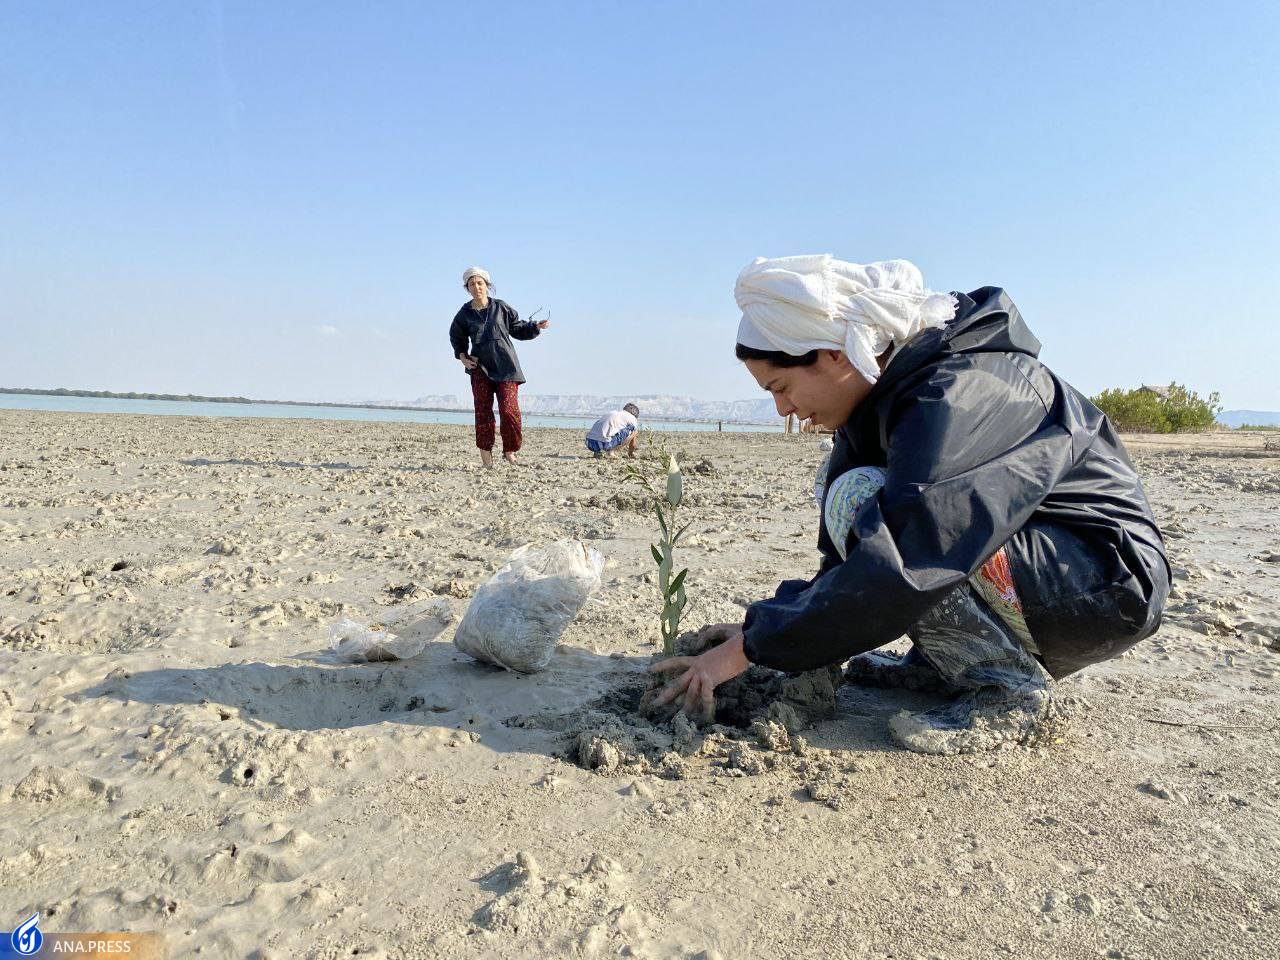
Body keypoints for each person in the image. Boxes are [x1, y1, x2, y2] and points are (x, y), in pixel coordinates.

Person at [652, 254, 1170, 754]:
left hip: (1101, 583)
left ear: (833, 353)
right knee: (848, 492)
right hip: (1040, 570)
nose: (783, 408)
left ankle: (1007, 692)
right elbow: (850, 562)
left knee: (865, 501)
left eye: (781, 386)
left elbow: (910, 550)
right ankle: (944, 661)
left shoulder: (959, 389)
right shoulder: (879, 400)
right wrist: (767, 625)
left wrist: (744, 652)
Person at [448, 266, 550, 467]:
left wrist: (535, 327)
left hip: (507, 367)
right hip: (480, 369)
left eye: (480, 283)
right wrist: (462, 357)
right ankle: (486, 459)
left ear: (487, 285)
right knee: (483, 412)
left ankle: (510, 451)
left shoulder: (501, 308)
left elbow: (518, 328)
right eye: (472, 284)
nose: (476, 287)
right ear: (467, 288)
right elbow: (456, 337)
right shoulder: (464, 314)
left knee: (509, 410)